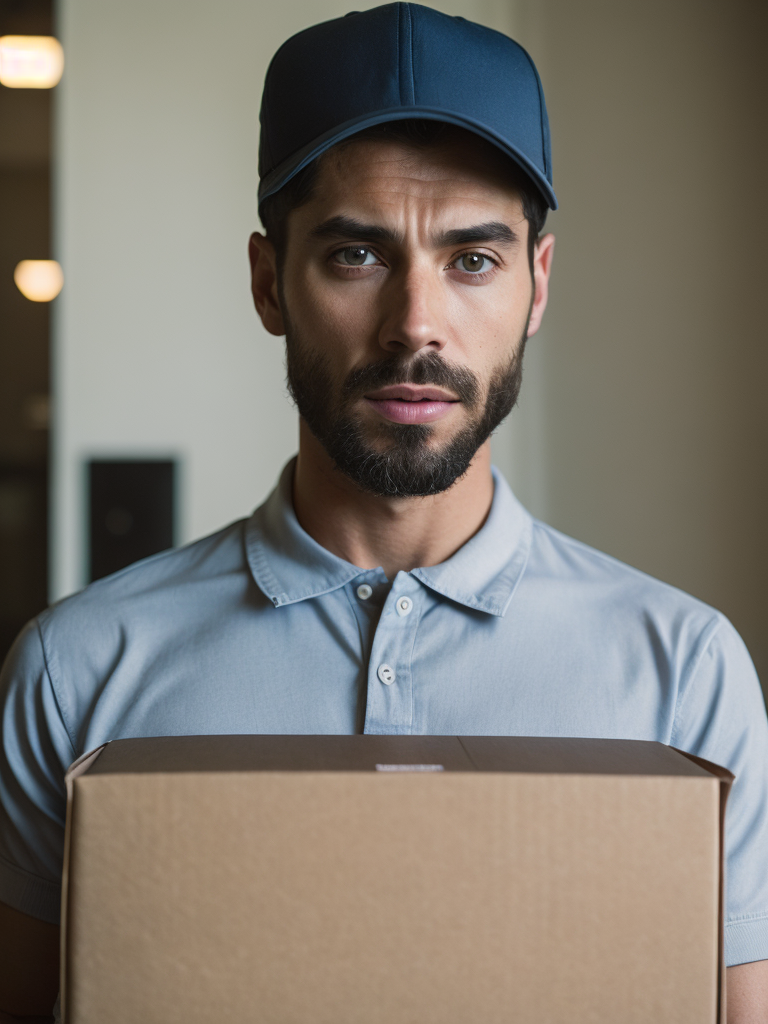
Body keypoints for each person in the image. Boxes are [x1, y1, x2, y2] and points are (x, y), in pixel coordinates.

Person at [1, 4, 767, 1021]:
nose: (417, 322)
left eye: (472, 259)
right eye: (356, 255)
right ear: (270, 281)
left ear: (537, 286)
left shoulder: (684, 674)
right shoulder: (81, 669)